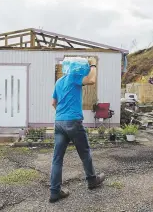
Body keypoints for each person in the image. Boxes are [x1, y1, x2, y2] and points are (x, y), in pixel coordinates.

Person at [49, 57, 105, 203]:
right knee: (85, 152)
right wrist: (93, 64)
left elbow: (53, 103)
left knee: (57, 159)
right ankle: (92, 180)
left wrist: (62, 114)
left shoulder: (59, 81)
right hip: (73, 122)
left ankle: (54, 192)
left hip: (59, 122)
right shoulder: (75, 77)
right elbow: (91, 80)